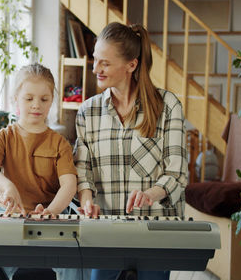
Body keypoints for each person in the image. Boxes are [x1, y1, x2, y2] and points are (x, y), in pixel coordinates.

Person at [74, 22, 188, 280]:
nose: (96, 69)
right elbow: (83, 170)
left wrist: (150, 194)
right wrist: (87, 200)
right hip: (106, 234)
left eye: (105, 63)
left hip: (156, 231)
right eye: (95, 60)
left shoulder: (167, 106)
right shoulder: (87, 112)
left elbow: (177, 174)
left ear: (131, 65)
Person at [0, 63, 90, 280]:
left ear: (51, 101)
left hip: (54, 214)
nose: (36, 105)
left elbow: (69, 185)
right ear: (16, 99)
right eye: (29, 98)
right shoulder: (3, 137)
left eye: (44, 99)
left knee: (76, 263)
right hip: (10, 213)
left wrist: (51, 211)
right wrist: (7, 186)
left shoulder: (60, 143)